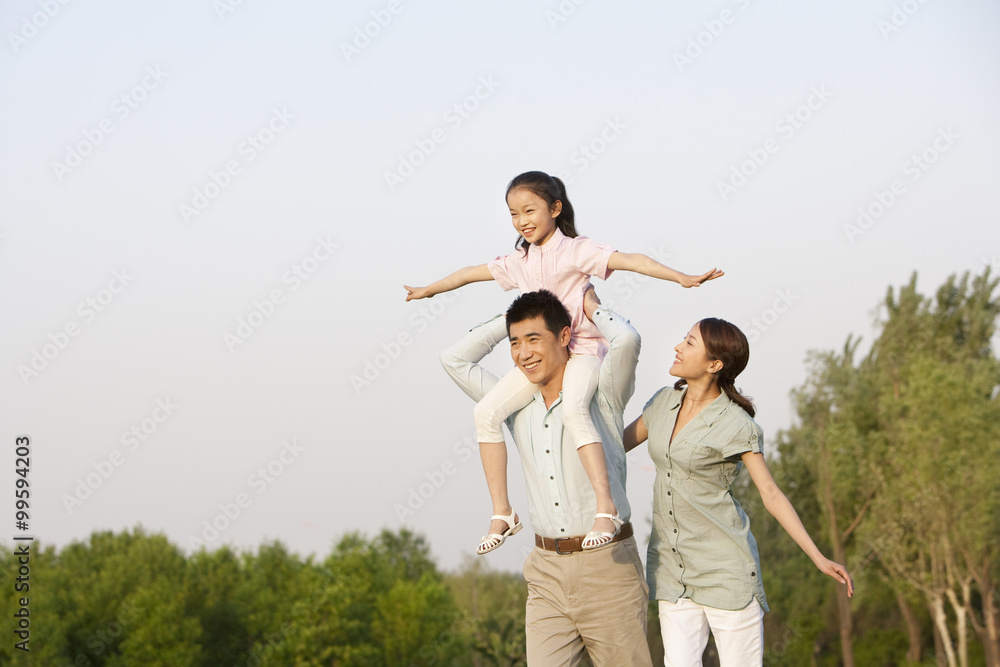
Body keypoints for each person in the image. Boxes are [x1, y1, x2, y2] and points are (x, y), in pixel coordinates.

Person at [406, 170, 722, 554]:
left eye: (529, 210)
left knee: (574, 409)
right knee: (485, 413)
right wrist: (429, 290)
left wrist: (680, 278)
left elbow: (631, 260)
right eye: (512, 214)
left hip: (583, 350)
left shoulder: (575, 250)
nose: (521, 221)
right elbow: (469, 274)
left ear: (555, 209)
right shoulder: (519, 260)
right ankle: (503, 512)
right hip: (545, 358)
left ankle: (604, 508)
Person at [441, 288, 654, 666]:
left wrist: (585, 304)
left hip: (608, 566)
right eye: (515, 343)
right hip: (545, 571)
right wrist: (506, 321)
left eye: (534, 339)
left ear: (565, 336)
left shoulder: (603, 395)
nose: (524, 353)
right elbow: (453, 359)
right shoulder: (514, 406)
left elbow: (628, 339)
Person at [623, 318, 854, 666]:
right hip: (673, 569)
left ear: (714, 364)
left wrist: (818, 557)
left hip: (725, 571)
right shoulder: (662, 403)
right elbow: (613, 447)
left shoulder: (737, 424)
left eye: (688, 343)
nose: (677, 347)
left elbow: (771, 494)